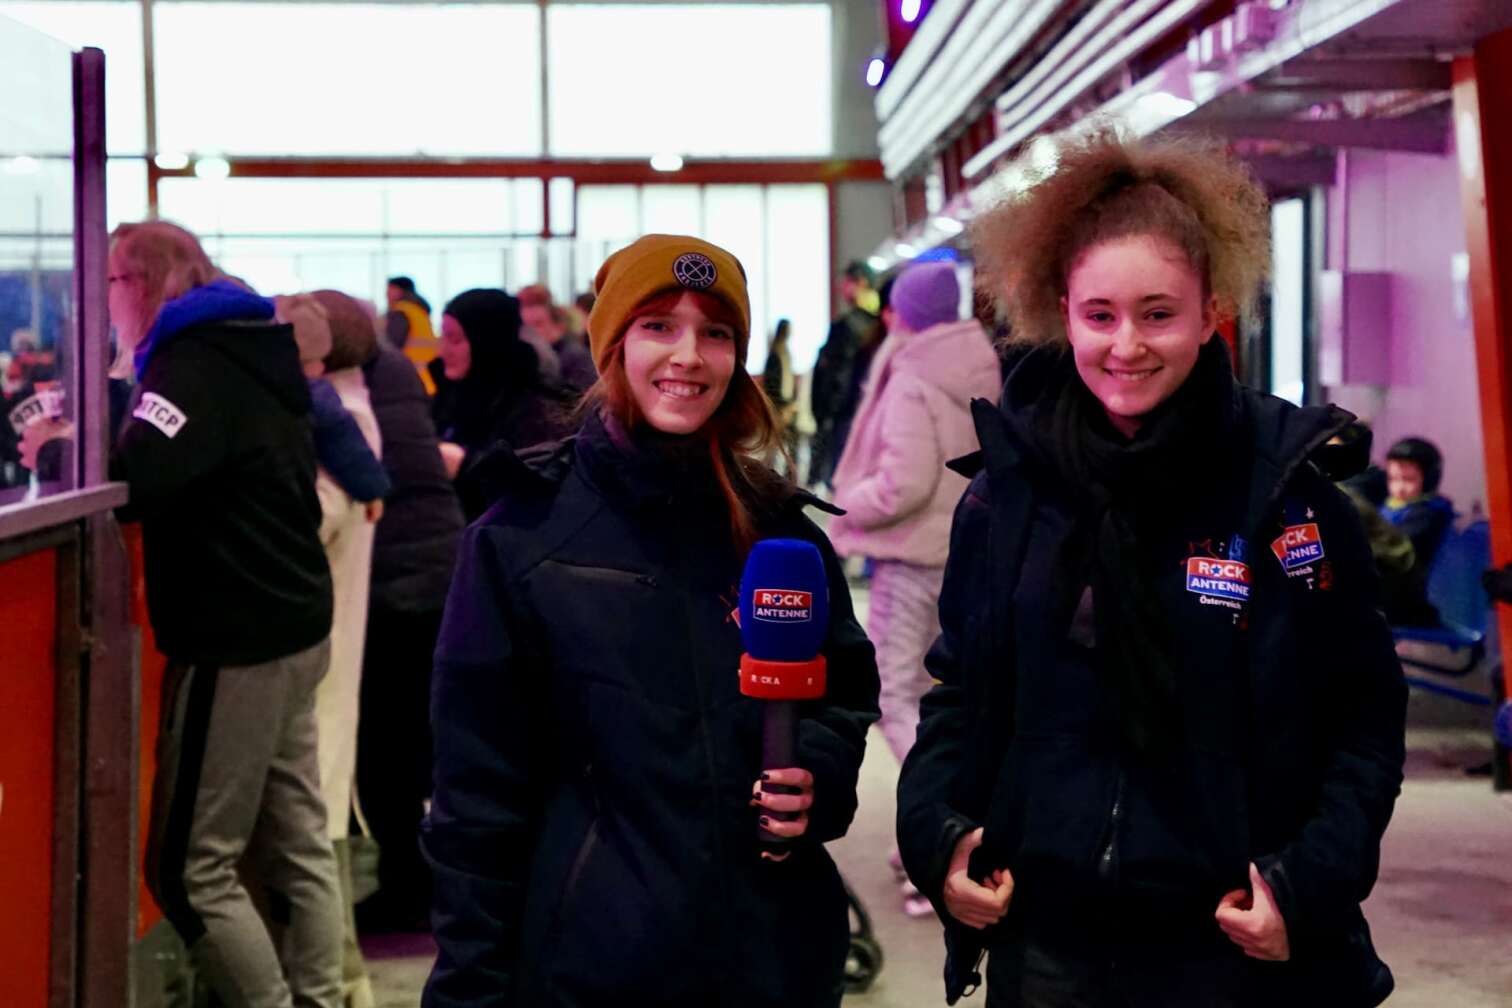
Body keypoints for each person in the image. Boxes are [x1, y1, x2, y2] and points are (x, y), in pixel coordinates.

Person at [896, 130, 1406, 1008]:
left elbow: (1363, 720)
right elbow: (959, 695)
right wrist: (936, 838)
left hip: (1228, 944)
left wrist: (1307, 882)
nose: (1125, 344)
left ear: (1213, 309)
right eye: (1100, 315)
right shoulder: (1010, 493)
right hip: (1046, 942)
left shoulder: (1289, 497)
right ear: (1064, 309)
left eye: (1157, 313)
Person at [421, 234, 880, 1007]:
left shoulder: (781, 533)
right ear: (612, 346)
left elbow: (843, 692)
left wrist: (819, 772)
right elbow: (474, 800)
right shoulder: (520, 539)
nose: (689, 356)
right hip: (594, 967)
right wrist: (469, 989)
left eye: (716, 332)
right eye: (659, 326)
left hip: (774, 961)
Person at [106, 221, 344, 1007]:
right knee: (297, 841)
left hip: (235, 635)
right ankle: (317, 995)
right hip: (293, 620)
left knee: (188, 868)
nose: (105, 301)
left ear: (140, 284)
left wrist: (88, 424)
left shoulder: (189, 365)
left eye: (110, 282)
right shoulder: (251, 347)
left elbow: (139, 477)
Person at [827, 260, 998, 915]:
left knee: (892, 694)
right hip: (966, 553)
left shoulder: (913, 377)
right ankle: (943, 825)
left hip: (909, 558)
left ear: (902, 311)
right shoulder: (980, 364)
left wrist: (844, 505)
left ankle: (938, 824)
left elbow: (904, 483)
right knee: (946, 694)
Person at [353, 320, 466, 934]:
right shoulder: (397, 368)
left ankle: (407, 885)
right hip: (441, 573)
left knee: (386, 752)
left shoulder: (346, 394)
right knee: (428, 743)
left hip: (393, 585)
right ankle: (432, 879)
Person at [427, 288, 575, 517]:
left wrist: (466, 465)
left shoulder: (535, 406)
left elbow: (538, 487)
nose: (443, 350)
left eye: (455, 339)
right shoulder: (451, 393)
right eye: (443, 337)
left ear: (485, 342)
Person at [807, 261, 877, 488]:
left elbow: (836, 374)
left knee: (839, 479)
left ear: (861, 283)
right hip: (862, 410)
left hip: (843, 413)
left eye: (846, 283)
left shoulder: (849, 327)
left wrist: (826, 411)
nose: (842, 289)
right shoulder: (877, 324)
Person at [1382, 436, 1455, 596]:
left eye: (1408, 480)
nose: (1399, 488)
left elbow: (1391, 550)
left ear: (1429, 479)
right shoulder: (1391, 506)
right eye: (1393, 479)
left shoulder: (1429, 513)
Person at [519, 283, 598, 392]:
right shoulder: (530, 357)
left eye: (538, 324)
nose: (531, 332)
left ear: (556, 324)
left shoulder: (574, 356)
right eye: (526, 326)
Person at [384, 276, 440, 395]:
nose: (386, 294)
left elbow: (391, 347)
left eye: (390, 289)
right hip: (428, 379)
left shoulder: (401, 312)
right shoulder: (420, 311)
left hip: (408, 382)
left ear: (400, 290)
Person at [762, 318, 799, 475]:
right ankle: (769, 475)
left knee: (790, 445)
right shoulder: (775, 355)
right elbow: (771, 385)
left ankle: (788, 476)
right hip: (778, 406)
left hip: (788, 405)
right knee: (775, 445)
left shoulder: (786, 354)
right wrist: (782, 406)